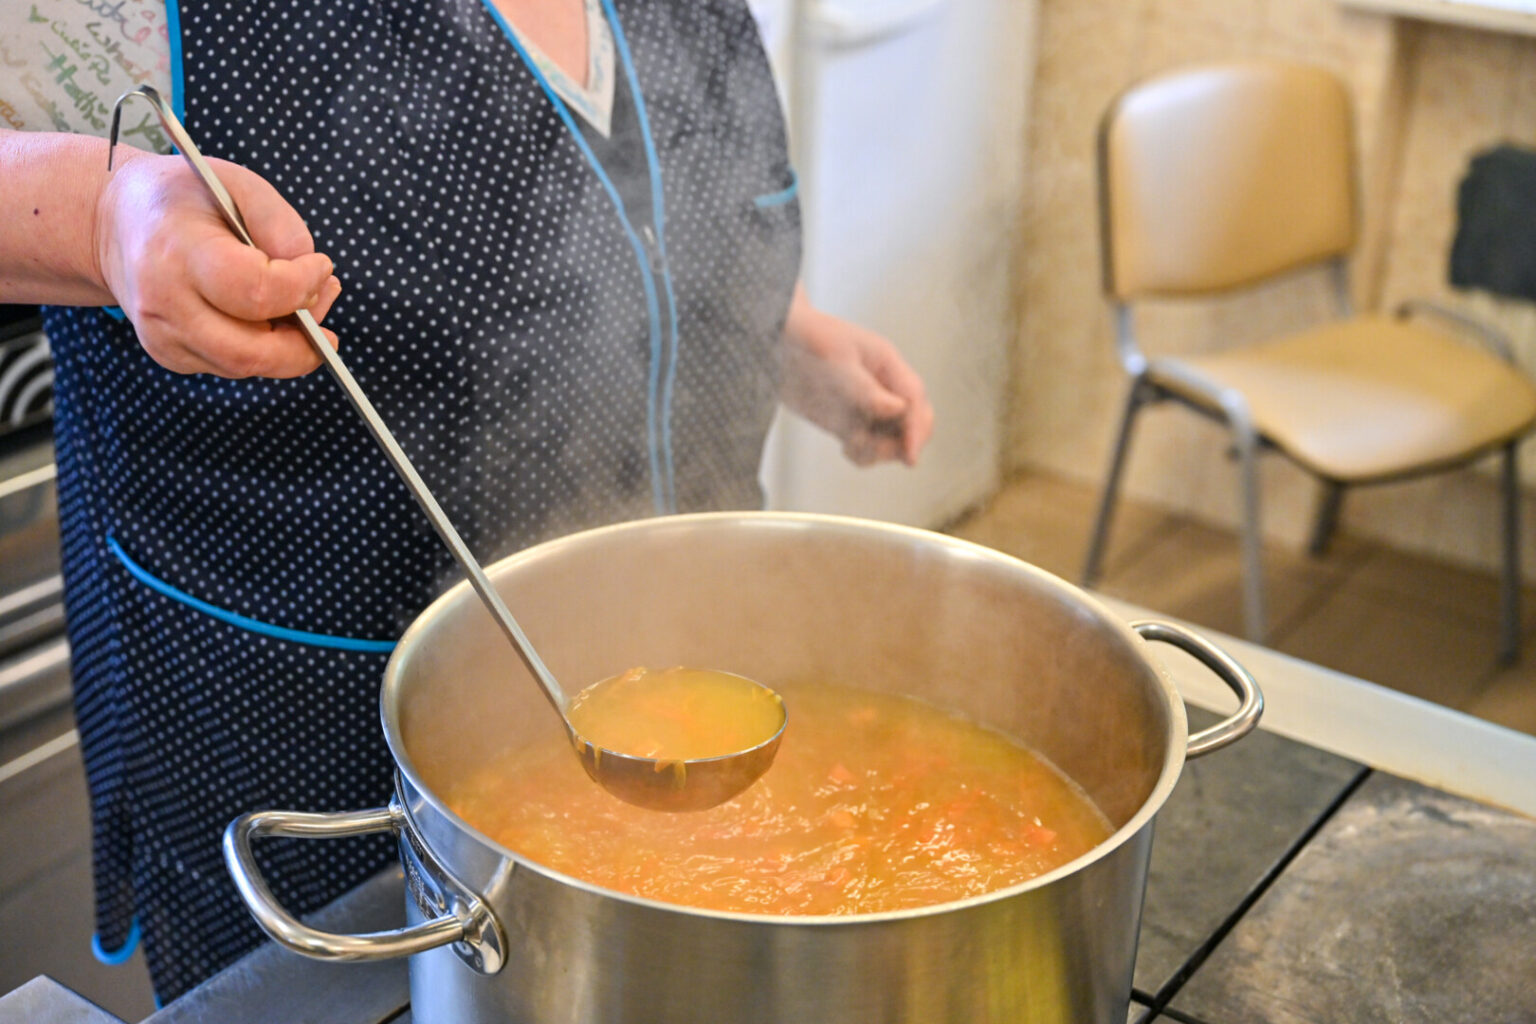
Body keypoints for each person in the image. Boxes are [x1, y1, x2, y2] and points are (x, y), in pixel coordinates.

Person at [0, 0, 933, 1002]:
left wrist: (777, 329)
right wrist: (102, 219)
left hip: (698, 695)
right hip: (304, 766)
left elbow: (644, 188)